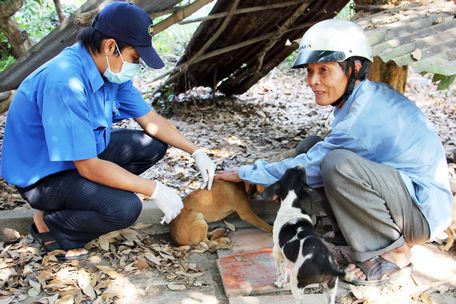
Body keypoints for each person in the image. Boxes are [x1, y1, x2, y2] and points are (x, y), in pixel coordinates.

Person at [217, 19, 453, 285]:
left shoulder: (359, 120)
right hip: (405, 196)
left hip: (420, 212)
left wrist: (252, 173)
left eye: (324, 70)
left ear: (353, 68)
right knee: (313, 146)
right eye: (309, 71)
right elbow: (313, 157)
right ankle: (350, 238)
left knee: (336, 163)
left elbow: (313, 166)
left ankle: (394, 255)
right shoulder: (363, 96)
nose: (313, 81)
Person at [1, 2, 216, 261]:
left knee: (153, 144)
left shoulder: (110, 70)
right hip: (43, 177)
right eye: (135, 57)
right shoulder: (65, 82)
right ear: (110, 46)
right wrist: (155, 190)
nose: (135, 65)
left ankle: (89, 199)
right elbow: (89, 167)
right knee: (125, 208)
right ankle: (55, 225)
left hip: (78, 158)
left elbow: (150, 119)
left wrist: (196, 151)